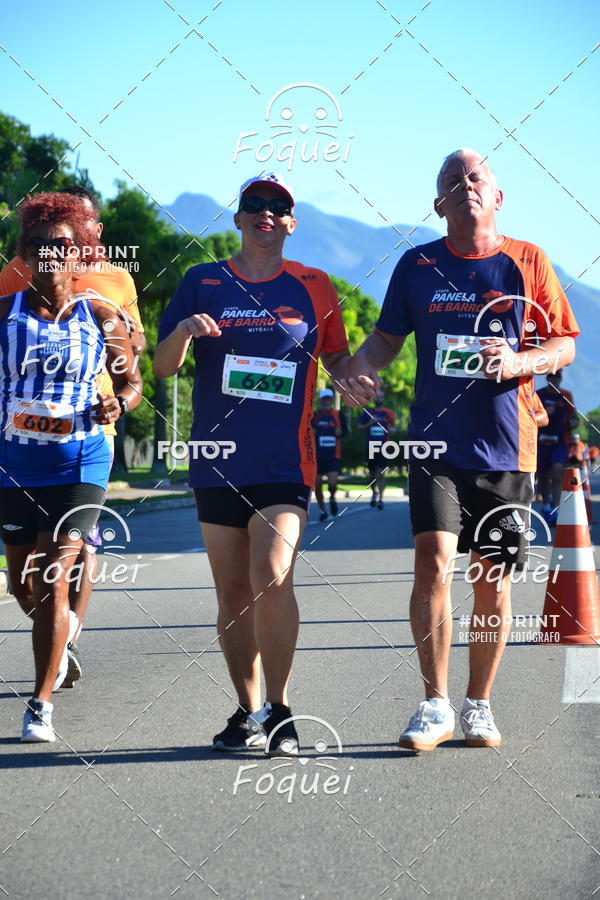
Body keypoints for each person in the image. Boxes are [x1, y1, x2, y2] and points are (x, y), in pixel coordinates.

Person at [341, 148, 578, 751]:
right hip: (434, 443)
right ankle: (434, 704)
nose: (466, 185)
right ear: (439, 203)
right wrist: (357, 370)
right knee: (431, 563)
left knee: (492, 580)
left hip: (507, 445)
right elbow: (384, 341)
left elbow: (564, 345)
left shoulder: (529, 262)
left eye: (478, 177)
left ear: (498, 197)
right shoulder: (417, 264)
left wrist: (522, 360)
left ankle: (479, 706)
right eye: (453, 180)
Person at [154, 173, 359, 756]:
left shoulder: (317, 287)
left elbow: (338, 361)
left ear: (292, 223)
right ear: (238, 219)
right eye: (255, 206)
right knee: (232, 592)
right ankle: (246, 710)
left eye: (279, 207)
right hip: (216, 460)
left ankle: (281, 709)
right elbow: (164, 366)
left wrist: (357, 382)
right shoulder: (203, 280)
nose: (266, 214)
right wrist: (187, 332)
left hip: (283, 462)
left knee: (272, 572)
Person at [0, 192, 142, 741]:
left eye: (61, 244)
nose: (49, 254)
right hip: (13, 464)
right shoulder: (5, 313)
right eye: (37, 244)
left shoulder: (102, 314)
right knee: (21, 583)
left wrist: (118, 403)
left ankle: (40, 704)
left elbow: (131, 382)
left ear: (78, 248)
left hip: (83, 458)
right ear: (24, 251)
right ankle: (57, 639)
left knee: (57, 578)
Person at [537, 371, 577, 525]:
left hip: (560, 442)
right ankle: (546, 505)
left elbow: (573, 417)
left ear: (561, 378)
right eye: (552, 376)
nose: (555, 378)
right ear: (547, 378)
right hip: (541, 442)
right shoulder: (538, 395)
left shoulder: (566, 395)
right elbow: (530, 415)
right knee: (543, 475)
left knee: (558, 470)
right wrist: (545, 413)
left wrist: (574, 423)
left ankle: (556, 508)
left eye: (558, 376)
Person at [311, 388, 348, 521]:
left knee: (332, 483)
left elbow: (346, 432)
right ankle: (322, 510)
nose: (326, 401)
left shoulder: (338, 415)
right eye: (324, 399)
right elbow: (305, 431)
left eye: (328, 399)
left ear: (331, 400)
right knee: (318, 484)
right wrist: (311, 432)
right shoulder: (314, 416)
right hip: (317, 457)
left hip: (333, 456)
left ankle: (332, 497)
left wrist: (341, 433)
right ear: (320, 401)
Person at [358, 392, 395, 509]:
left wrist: (391, 430)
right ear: (374, 398)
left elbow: (393, 427)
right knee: (372, 474)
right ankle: (374, 493)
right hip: (371, 446)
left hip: (383, 447)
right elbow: (359, 428)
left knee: (381, 473)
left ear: (383, 399)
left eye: (381, 397)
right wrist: (370, 423)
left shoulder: (388, 413)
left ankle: (381, 499)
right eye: (378, 397)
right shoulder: (368, 412)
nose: (379, 398)